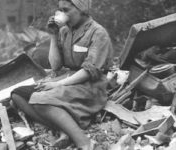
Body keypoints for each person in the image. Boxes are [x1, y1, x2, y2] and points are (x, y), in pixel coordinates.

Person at [11, 0, 113, 149]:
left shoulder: (97, 32)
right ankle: (62, 129)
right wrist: (53, 35)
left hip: (90, 84)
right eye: (60, 10)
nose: (61, 15)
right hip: (67, 78)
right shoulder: (65, 31)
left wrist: (57, 84)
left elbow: (89, 71)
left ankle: (84, 141)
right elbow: (56, 66)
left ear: (82, 9)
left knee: (39, 100)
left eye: (66, 10)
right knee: (17, 95)